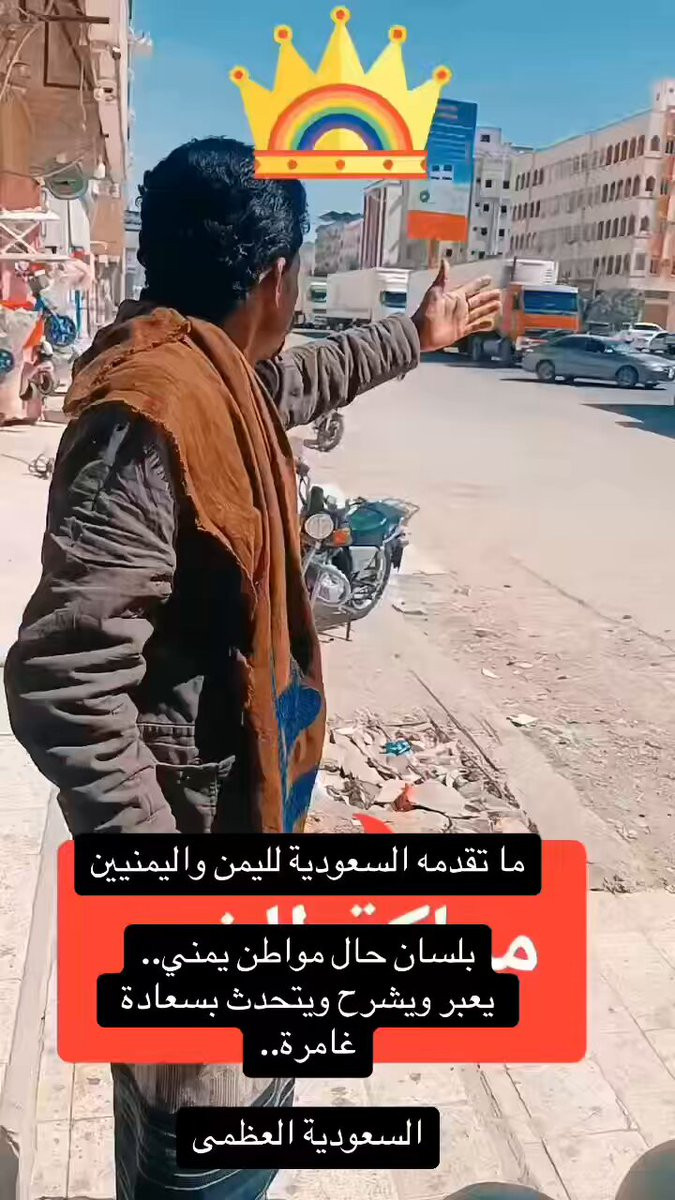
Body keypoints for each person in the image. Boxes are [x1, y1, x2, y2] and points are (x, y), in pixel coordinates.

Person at [3, 137, 500, 1200]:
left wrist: (417, 335)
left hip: (241, 835)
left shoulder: (209, 369)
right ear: (275, 277)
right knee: (205, 1135)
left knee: (244, 1117)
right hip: (191, 866)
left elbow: (301, 377)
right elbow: (63, 675)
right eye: (301, 276)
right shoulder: (151, 411)